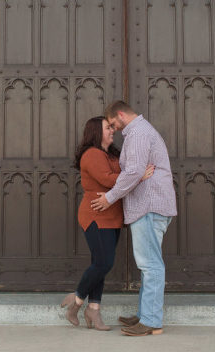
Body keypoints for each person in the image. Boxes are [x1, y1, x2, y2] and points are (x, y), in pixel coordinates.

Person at [90, 101, 177, 337]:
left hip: (148, 206)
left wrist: (109, 198)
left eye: (112, 123)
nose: (113, 128)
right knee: (148, 264)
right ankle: (145, 314)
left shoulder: (138, 133)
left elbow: (134, 172)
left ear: (120, 115)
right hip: (149, 206)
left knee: (150, 265)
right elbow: (137, 171)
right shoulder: (141, 131)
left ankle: (151, 321)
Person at [60, 116, 155, 330]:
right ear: (96, 131)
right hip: (95, 214)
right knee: (104, 263)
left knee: (100, 265)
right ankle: (76, 300)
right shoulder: (91, 154)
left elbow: (121, 177)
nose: (113, 130)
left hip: (112, 214)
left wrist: (131, 174)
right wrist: (138, 176)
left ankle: (94, 310)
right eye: (108, 128)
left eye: (112, 127)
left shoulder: (111, 153)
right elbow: (109, 180)